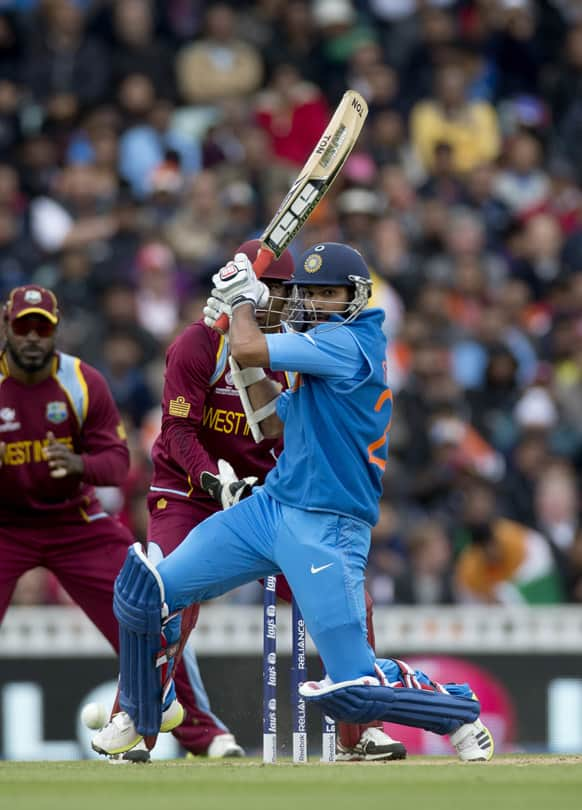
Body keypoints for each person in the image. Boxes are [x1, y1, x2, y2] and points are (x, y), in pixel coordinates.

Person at [92, 243, 494, 762]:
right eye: (310, 294)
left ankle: (455, 709)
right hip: (269, 510)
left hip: (325, 526)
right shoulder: (314, 354)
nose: (318, 304)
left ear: (356, 296)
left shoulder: (349, 342)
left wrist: (237, 302)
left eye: (330, 293)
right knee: (150, 591)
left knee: (353, 682)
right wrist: (237, 335)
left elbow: (251, 349)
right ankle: (148, 708)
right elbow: (272, 419)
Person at [0, 284, 134, 675]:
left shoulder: (82, 381)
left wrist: (79, 464)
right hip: (5, 525)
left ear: (55, 331)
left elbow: (118, 465)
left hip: (72, 521)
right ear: (6, 327)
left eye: (41, 329)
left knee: (141, 611)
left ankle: (204, 732)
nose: (31, 338)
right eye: (22, 328)